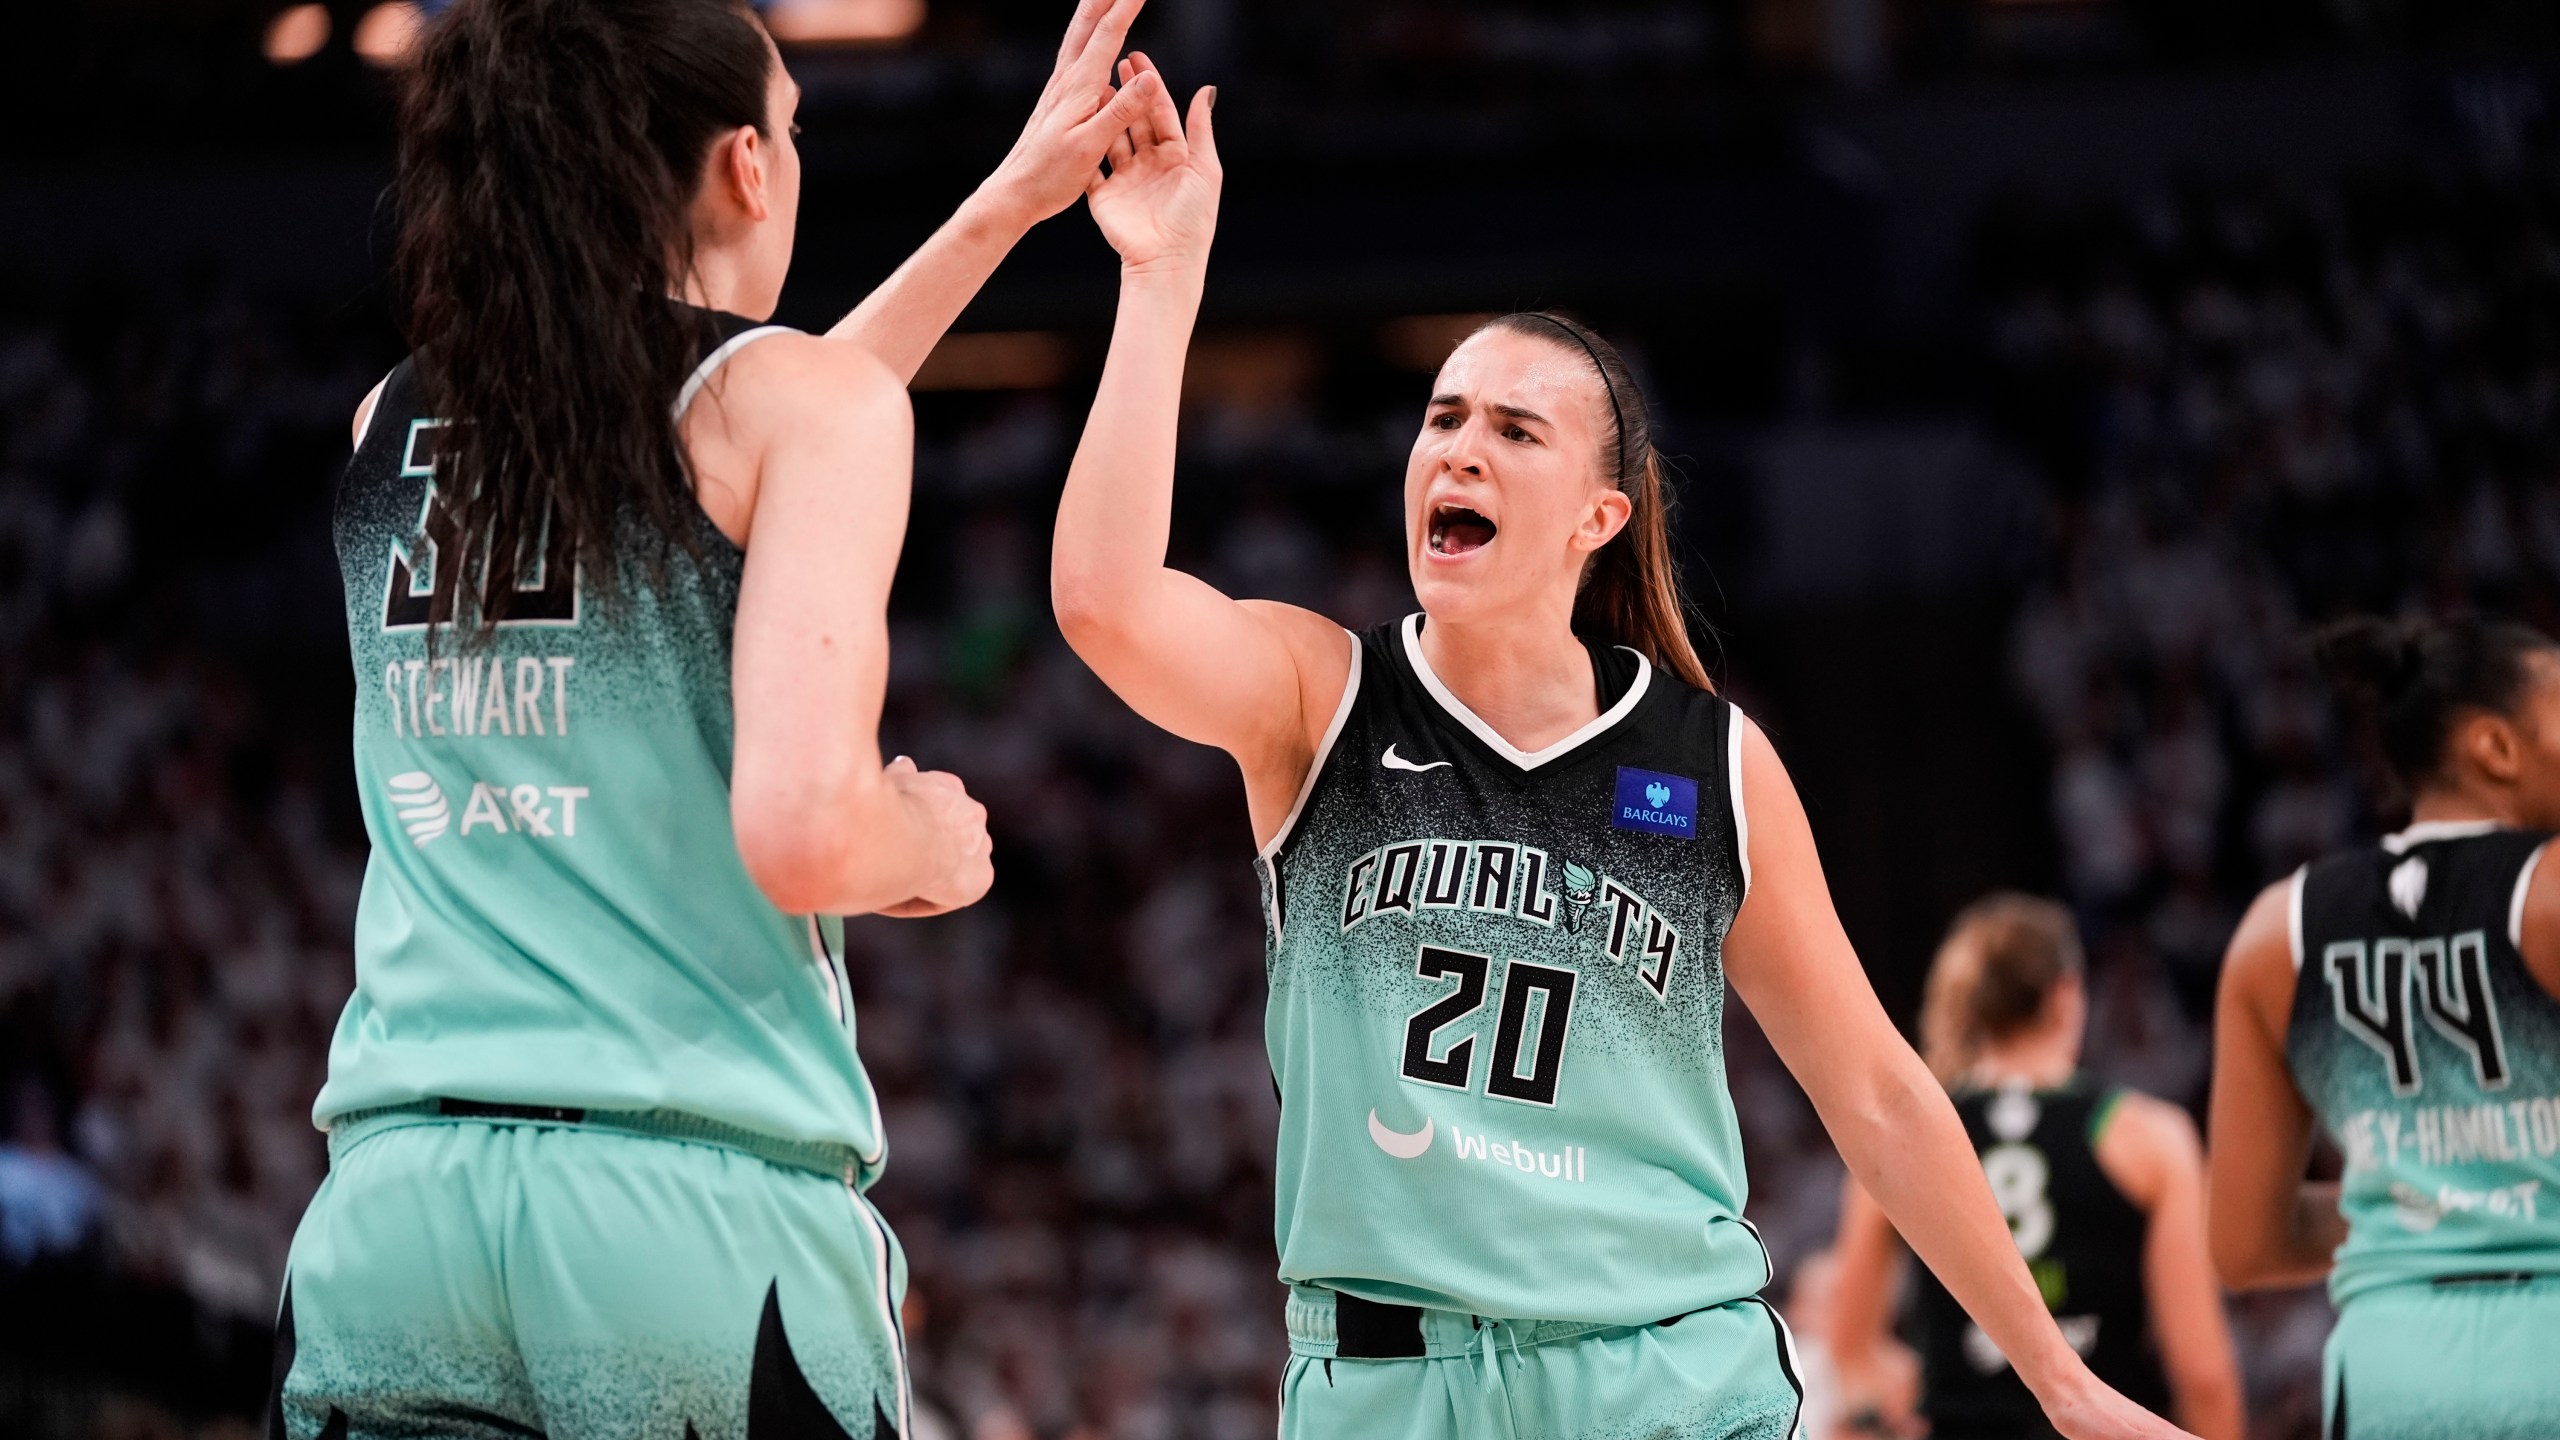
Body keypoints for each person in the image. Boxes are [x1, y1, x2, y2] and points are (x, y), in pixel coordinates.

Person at [1046, 53, 2196, 1440]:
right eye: (1442, 419)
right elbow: (1104, 604)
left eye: (1513, 431)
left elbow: (1878, 1093)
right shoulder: (1319, 695)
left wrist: (2063, 1386)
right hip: (1392, 1386)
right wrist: (1161, 278)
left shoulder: (1711, 762)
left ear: (1599, 517)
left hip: (1666, 1371)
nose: (1457, 450)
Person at [270, 0, 1167, 1433]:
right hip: (680, 1221)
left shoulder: (395, 415)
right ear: (747, 164)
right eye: (797, 131)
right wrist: (929, 841)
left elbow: (745, 418)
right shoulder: (791, 409)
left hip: (393, 1224)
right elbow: (807, 830)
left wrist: (1006, 208)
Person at [2208, 614, 2560, 1440]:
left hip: (2387, 1374)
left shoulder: (2272, 929)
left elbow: (2244, 1246)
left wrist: (2420, 1200)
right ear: (2496, 748)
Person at [1828, 896, 2243, 1440]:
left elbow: (1851, 1352)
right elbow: (2202, 1374)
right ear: (2066, 994)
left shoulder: (1905, 1135)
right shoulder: (2149, 1139)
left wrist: (1933, 1385)